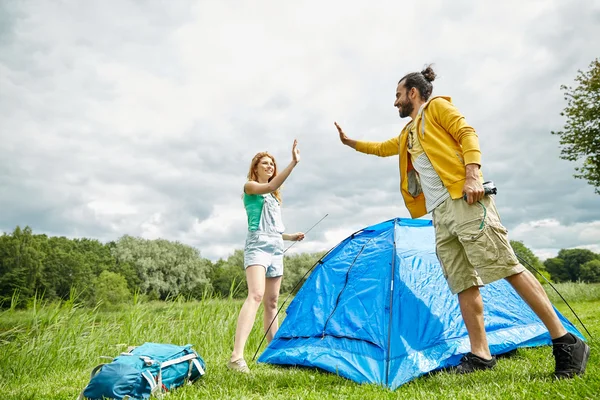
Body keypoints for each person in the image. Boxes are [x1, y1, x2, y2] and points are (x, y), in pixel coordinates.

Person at [334, 65, 590, 378]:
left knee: (505, 266)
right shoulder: (407, 134)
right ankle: (481, 354)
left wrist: (473, 176)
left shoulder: (437, 107)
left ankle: (565, 341)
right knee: (462, 282)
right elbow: (382, 148)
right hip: (440, 214)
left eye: (398, 95)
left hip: (465, 201)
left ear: (413, 93)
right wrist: (350, 143)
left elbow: (467, 134)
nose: (396, 102)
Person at [227, 139, 305, 373]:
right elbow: (270, 189)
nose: (270, 166)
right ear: (255, 168)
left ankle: (275, 354)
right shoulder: (250, 187)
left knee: (272, 302)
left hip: (275, 248)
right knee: (256, 294)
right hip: (257, 246)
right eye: (265, 163)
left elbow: (273, 229)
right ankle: (236, 357)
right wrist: (293, 163)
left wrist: (290, 237)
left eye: (272, 164)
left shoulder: (274, 198)